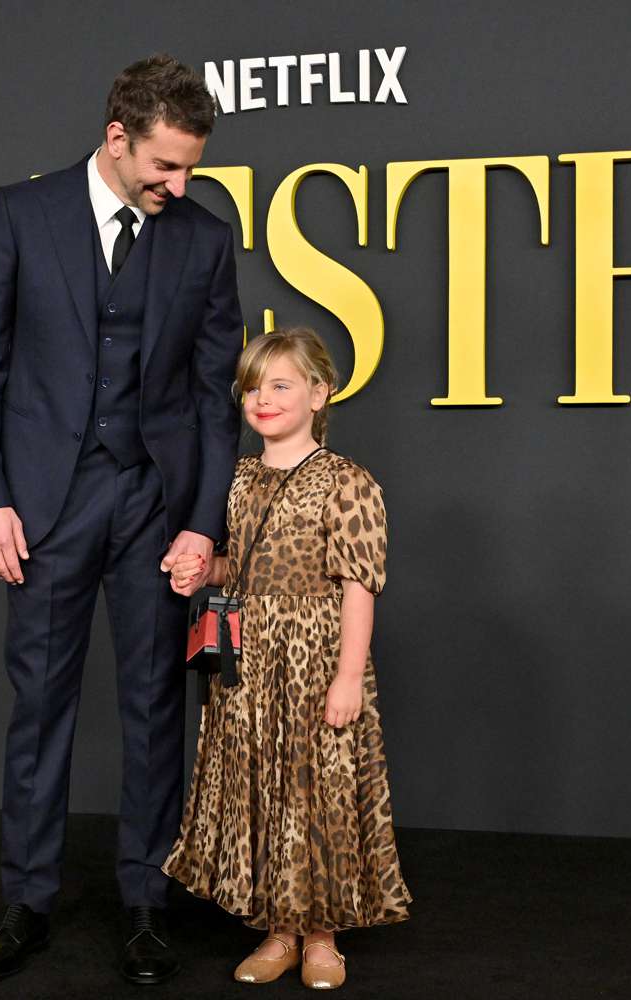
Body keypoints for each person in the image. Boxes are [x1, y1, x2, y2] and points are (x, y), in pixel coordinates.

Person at [0, 55, 242, 985]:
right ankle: (28, 900)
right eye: (165, 165)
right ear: (117, 137)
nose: (178, 185)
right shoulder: (20, 214)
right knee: (41, 704)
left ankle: (147, 903)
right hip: (44, 504)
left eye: (190, 168)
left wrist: (203, 523)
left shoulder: (203, 238)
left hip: (154, 504)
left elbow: (211, 396)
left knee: (157, 705)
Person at [162, 327, 412, 990]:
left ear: (319, 393)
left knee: (316, 792)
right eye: (251, 387)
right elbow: (236, 566)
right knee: (263, 788)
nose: (261, 399)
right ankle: (278, 929)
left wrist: (348, 676)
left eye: (279, 385)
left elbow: (358, 585)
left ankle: (322, 935)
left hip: (316, 660)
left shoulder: (348, 482)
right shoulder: (238, 478)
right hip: (248, 665)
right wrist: (200, 570)